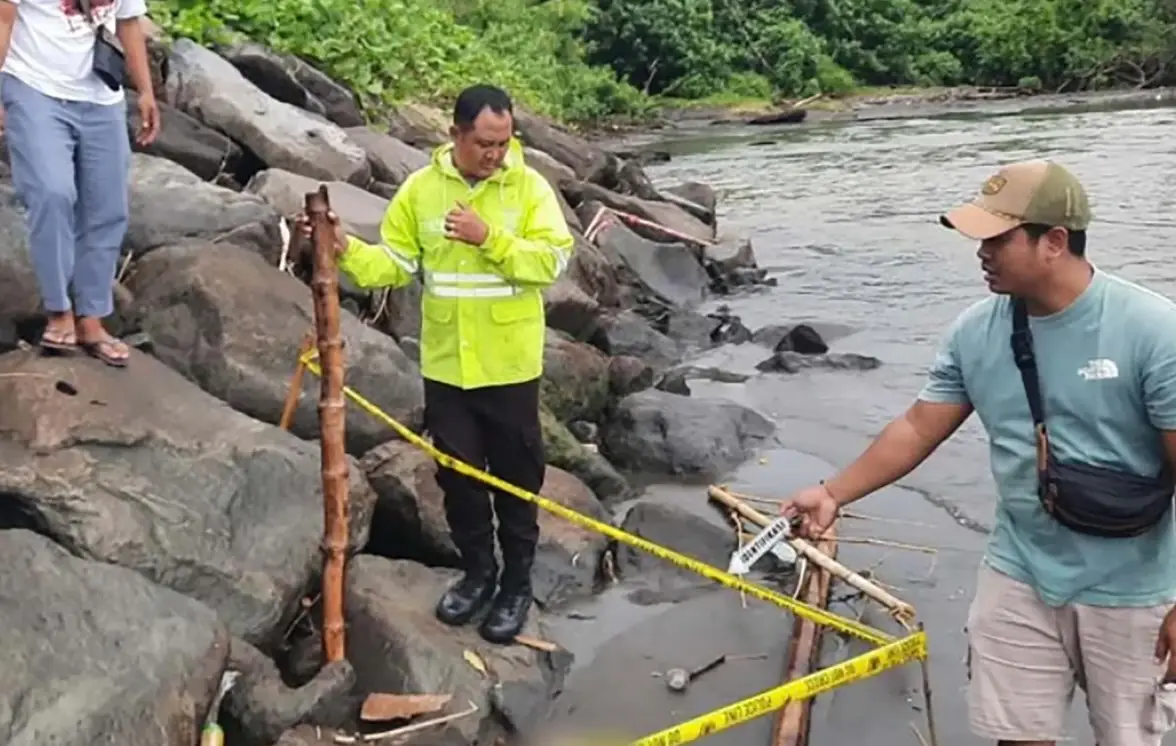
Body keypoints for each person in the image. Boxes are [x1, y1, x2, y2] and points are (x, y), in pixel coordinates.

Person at [778, 159, 1176, 746]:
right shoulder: (975, 332)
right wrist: (833, 493)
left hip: (1135, 588)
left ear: (1054, 242)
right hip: (1020, 571)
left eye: (997, 238)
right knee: (1015, 737)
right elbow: (918, 427)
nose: (981, 252)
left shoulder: (1152, 331)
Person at [296, 84, 575, 644]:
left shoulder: (529, 188)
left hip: (510, 367)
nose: (495, 153)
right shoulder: (422, 191)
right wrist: (345, 248)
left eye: (504, 142)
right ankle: (478, 574)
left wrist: (489, 237)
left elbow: (550, 262)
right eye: (484, 143)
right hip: (447, 367)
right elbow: (393, 265)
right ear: (456, 135)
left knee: (517, 481)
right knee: (458, 480)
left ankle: (517, 584)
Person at [0, 0, 158, 366]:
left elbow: (129, 22)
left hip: (101, 96)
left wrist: (146, 91)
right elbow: (4, 18)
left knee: (107, 208)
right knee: (51, 193)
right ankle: (59, 311)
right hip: (33, 86)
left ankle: (92, 318)